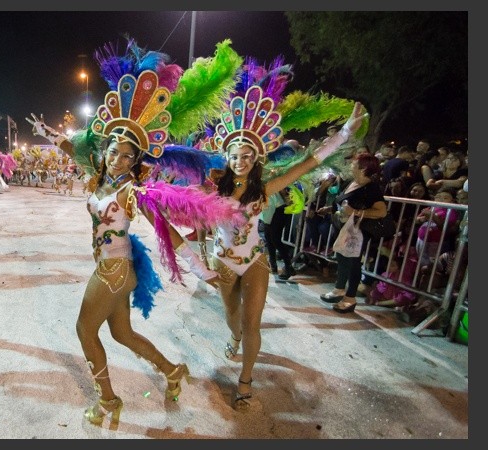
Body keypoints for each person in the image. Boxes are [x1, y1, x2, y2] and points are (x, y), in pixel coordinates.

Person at [25, 41, 242, 425]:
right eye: (113, 150)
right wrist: (50, 134)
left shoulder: (133, 192)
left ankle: (107, 400)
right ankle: (172, 370)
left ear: (137, 160)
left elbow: (169, 232)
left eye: (127, 155)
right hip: (116, 270)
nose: (117, 158)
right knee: (122, 334)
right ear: (105, 148)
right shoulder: (100, 176)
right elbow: (74, 151)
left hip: (113, 272)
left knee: (84, 331)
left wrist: (200, 269)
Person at [208, 80, 367, 410]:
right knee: (231, 316)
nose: (240, 160)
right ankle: (233, 336)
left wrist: (345, 134)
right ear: (227, 157)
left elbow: (307, 164)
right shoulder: (213, 185)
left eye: (247, 156)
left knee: (252, 322)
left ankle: (246, 379)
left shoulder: (265, 188)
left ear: (256, 158)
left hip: (255, 260)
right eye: (235, 156)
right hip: (223, 261)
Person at [319, 153, 387, 312]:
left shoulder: (371, 188)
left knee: (353, 263)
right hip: (343, 228)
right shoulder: (352, 182)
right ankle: (339, 289)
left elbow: (381, 211)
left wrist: (355, 212)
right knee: (342, 258)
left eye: (353, 163)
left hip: (358, 231)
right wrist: (331, 209)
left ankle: (350, 298)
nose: (350, 165)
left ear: (363, 168)